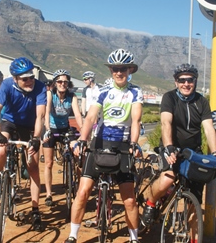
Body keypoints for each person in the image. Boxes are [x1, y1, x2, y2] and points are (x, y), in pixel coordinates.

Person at [64, 48, 143, 243]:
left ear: (130, 70)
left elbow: (136, 120)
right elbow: (91, 117)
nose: (119, 72)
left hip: (123, 146)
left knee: (130, 200)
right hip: (99, 143)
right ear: (110, 71)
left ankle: (134, 239)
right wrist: (83, 139)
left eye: (123, 69)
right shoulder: (103, 91)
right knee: (82, 193)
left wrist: (133, 144)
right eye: (115, 69)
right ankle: (73, 235)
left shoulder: (135, 92)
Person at [142, 63, 216, 226]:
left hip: (193, 152)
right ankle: (150, 203)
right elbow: (166, 122)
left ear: (195, 81)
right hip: (171, 148)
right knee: (167, 179)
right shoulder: (169, 98)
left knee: (195, 199)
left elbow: (209, 128)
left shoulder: (202, 102)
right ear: (176, 82)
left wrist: (215, 153)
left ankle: (191, 236)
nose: (186, 84)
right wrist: (169, 147)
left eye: (190, 80)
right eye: (181, 80)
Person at [0, 57, 46, 231]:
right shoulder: (7, 85)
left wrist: (36, 138)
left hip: (30, 126)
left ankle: (35, 209)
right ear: (15, 78)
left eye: (31, 77)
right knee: (0, 151)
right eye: (24, 78)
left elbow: (40, 116)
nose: (29, 81)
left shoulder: (39, 87)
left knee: (33, 167)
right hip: (10, 122)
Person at [42, 69, 83, 206]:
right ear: (55, 83)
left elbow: (77, 114)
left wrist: (83, 130)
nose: (62, 84)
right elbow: (47, 112)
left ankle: (79, 188)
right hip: (51, 128)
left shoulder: (72, 97)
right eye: (59, 81)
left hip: (65, 129)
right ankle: (48, 194)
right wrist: (47, 129)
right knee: (48, 163)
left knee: (78, 155)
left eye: (65, 82)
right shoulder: (50, 94)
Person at [40, 79, 54, 163]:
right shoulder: (43, 94)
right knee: (42, 137)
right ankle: (42, 154)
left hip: (49, 117)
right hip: (43, 117)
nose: (48, 88)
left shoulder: (51, 94)